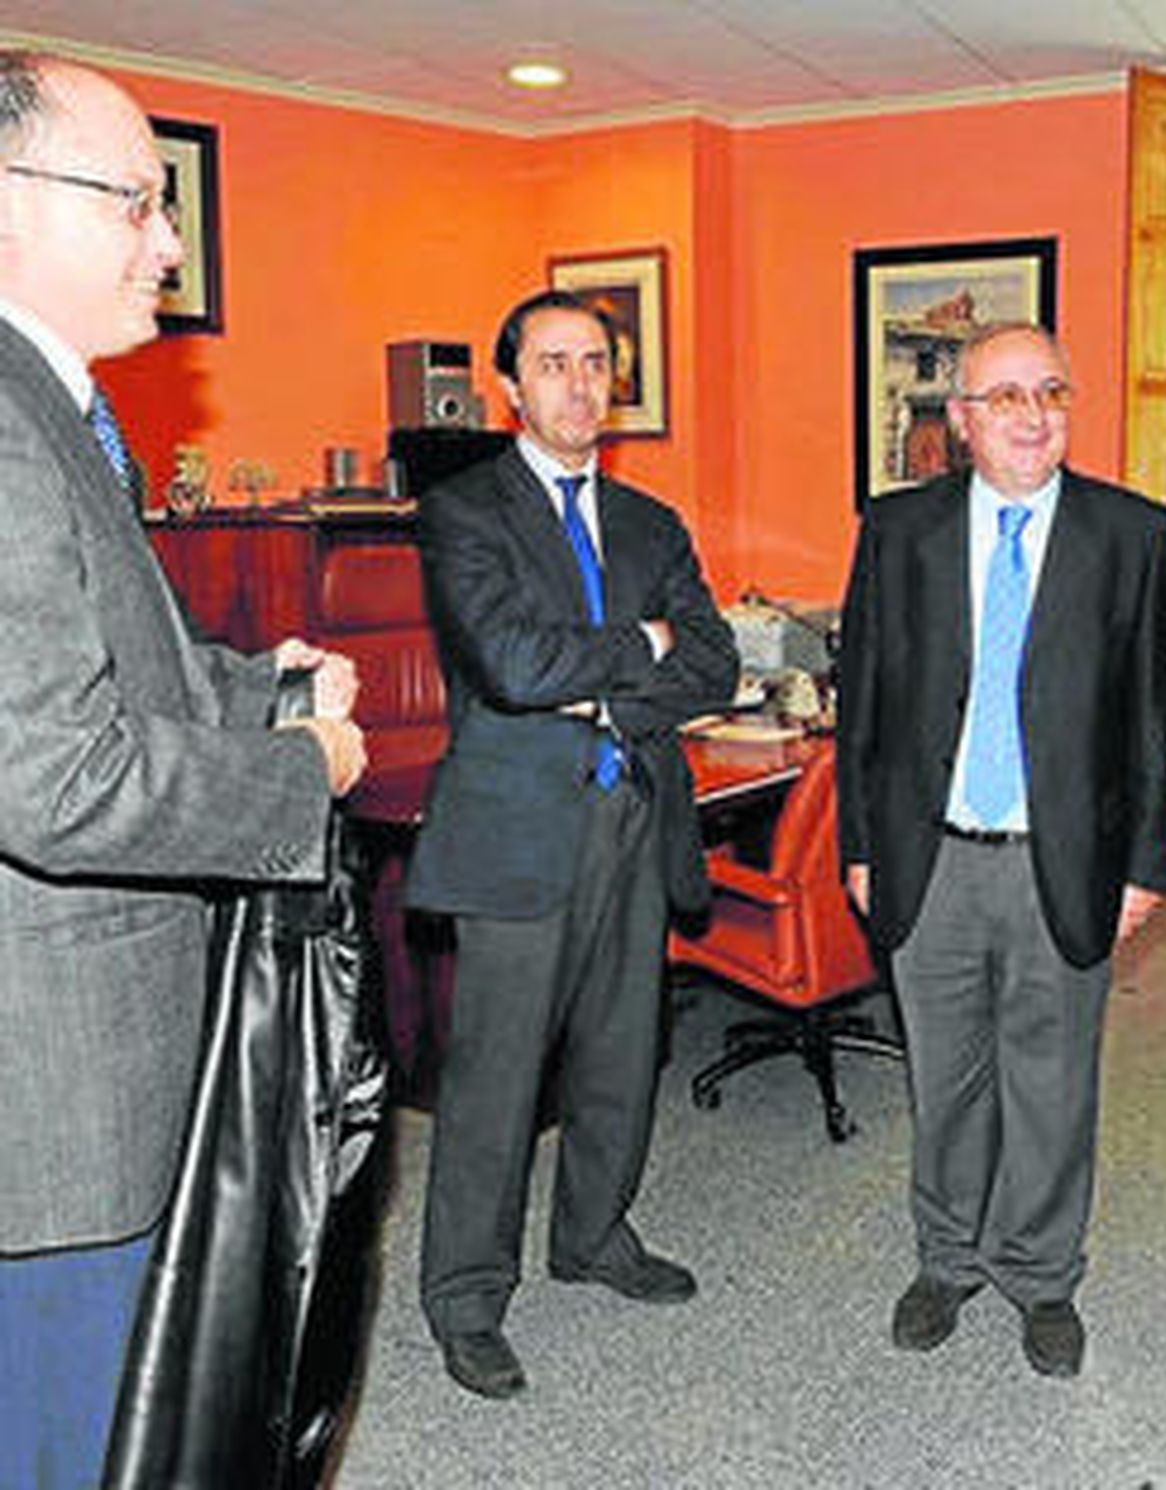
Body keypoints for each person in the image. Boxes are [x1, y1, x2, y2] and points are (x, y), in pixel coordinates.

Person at [0, 51, 366, 1488]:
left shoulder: (53, 411)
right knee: (70, 1440)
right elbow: (54, 770)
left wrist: (266, 685)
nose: (169, 243)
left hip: (99, 1063)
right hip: (56, 1096)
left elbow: (114, 655)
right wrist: (307, 772)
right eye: (141, 202)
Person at [406, 289, 738, 1400]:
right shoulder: (463, 510)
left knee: (618, 1050)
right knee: (496, 1077)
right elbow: (511, 664)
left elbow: (712, 663)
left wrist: (604, 692)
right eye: (553, 363)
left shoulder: (651, 524)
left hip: (634, 817)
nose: (579, 384)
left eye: (595, 363)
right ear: (510, 385)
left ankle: (594, 1233)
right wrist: (633, 647)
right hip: (514, 832)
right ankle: (463, 1293)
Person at [837, 322, 1166, 1377]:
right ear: (960, 421)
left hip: (1061, 861)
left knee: (1051, 1082)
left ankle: (1040, 1275)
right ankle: (945, 1259)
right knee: (946, 1080)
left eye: (1050, 392)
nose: (1032, 416)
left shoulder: (1132, 533)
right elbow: (866, 703)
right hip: (928, 857)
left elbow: (1151, 717)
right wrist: (860, 842)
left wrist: (1145, 865)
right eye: (1004, 397)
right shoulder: (898, 530)